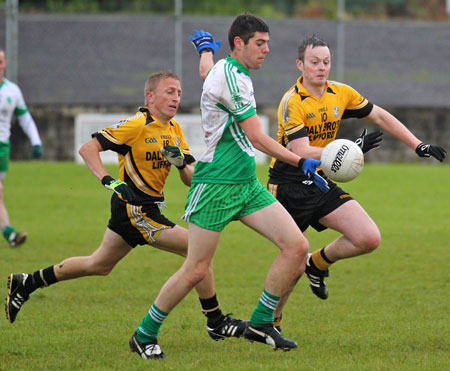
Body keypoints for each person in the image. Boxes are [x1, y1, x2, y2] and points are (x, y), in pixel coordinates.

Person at [129, 14, 330, 360]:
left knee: (296, 246)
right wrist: (301, 161)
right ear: (239, 43)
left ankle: (262, 322)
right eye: (259, 43)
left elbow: (209, 73)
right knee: (196, 269)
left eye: (267, 43)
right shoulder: (232, 79)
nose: (267, 50)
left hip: (245, 184)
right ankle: (144, 333)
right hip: (217, 184)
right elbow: (255, 136)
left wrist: (205, 51)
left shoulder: (229, 70)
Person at [5, 72, 247, 348]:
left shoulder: (174, 130)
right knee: (197, 251)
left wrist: (181, 165)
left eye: (179, 93)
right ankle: (215, 321)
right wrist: (108, 180)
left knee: (99, 264)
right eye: (169, 92)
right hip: (135, 209)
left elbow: (190, 178)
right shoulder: (137, 125)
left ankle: (28, 282)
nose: (176, 98)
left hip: (144, 209)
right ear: (150, 97)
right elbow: (88, 149)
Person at [266, 35, 446, 325]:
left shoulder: (340, 92)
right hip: (288, 183)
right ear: (300, 65)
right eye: (314, 62)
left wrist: (417, 144)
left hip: (321, 180)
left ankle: (318, 263)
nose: (321, 68)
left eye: (326, 62)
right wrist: (347, 149)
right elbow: (300, 150)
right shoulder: (292, 102)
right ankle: (270, 323)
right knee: (292, 259)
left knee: (367, 237)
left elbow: (381, 117)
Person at [0, 48, 43, 247]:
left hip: (2, 148)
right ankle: (9, 232)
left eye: (0, 61)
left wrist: (36, 141)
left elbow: (24, 117)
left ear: (5, 63)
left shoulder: (12, 90)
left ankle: (9, 235)